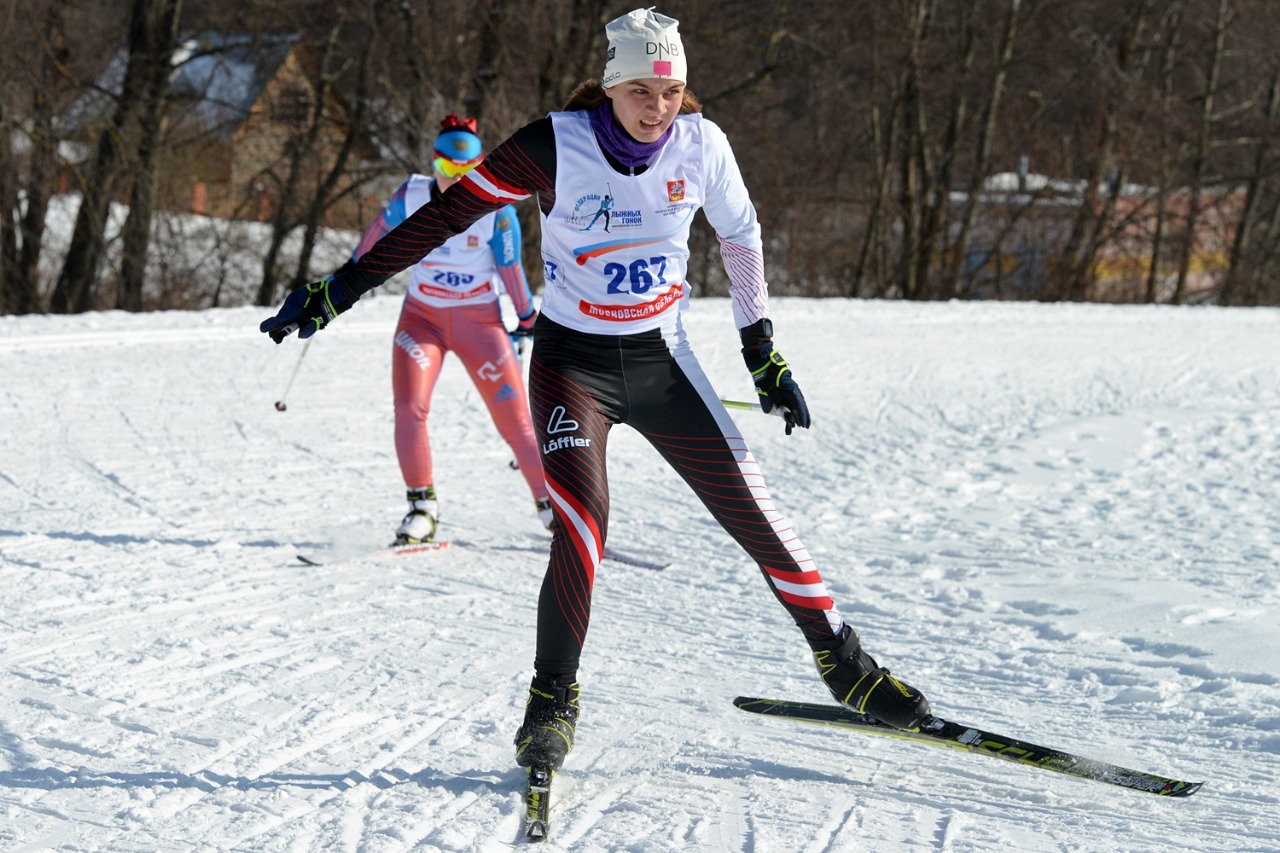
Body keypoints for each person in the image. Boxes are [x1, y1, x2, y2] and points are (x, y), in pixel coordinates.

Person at [261, 8, 930, 774]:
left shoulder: (702, 145)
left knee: (754, 509)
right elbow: (448, 216)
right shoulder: (554, 144)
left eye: (671, 90)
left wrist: (762, 353)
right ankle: (551, 703)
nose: (657, 107)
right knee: (583, 526)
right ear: (612, 86)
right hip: (572, 367)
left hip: (662, 363)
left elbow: (740, 238)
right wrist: (342, 287)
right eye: (641, 88)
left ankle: (845, 666)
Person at [351, 115, 552, 544]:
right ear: (434, 163)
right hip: (422, 320)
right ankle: (422, 508)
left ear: (480, 166)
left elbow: (510, 267)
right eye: (447, 170)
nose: (456, 181)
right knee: (410, 409)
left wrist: (526, 317)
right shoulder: (410, 195)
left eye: (467, 172)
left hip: (479, 324)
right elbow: (372, 240)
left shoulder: (498, 211)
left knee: (517, 423)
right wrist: (339, 285)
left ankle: (552, 508)